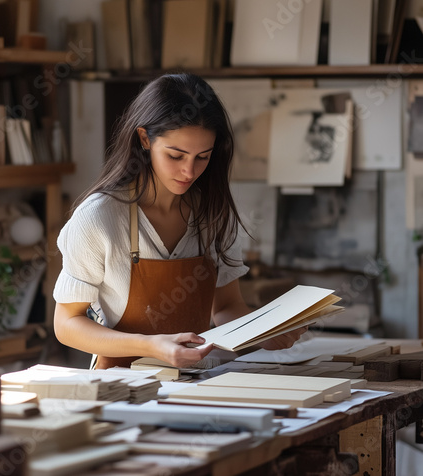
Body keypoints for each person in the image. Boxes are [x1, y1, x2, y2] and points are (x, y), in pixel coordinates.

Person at [53, 73, 305, 369]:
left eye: (203, 157)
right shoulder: (98, 218)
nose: (189, 170)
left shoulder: (212, 213)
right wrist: (150, 345)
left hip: (195, 383)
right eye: (176, 155)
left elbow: (225, 307)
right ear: (145, 139)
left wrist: (262, 332)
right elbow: (67, 323)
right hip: (121, 387)